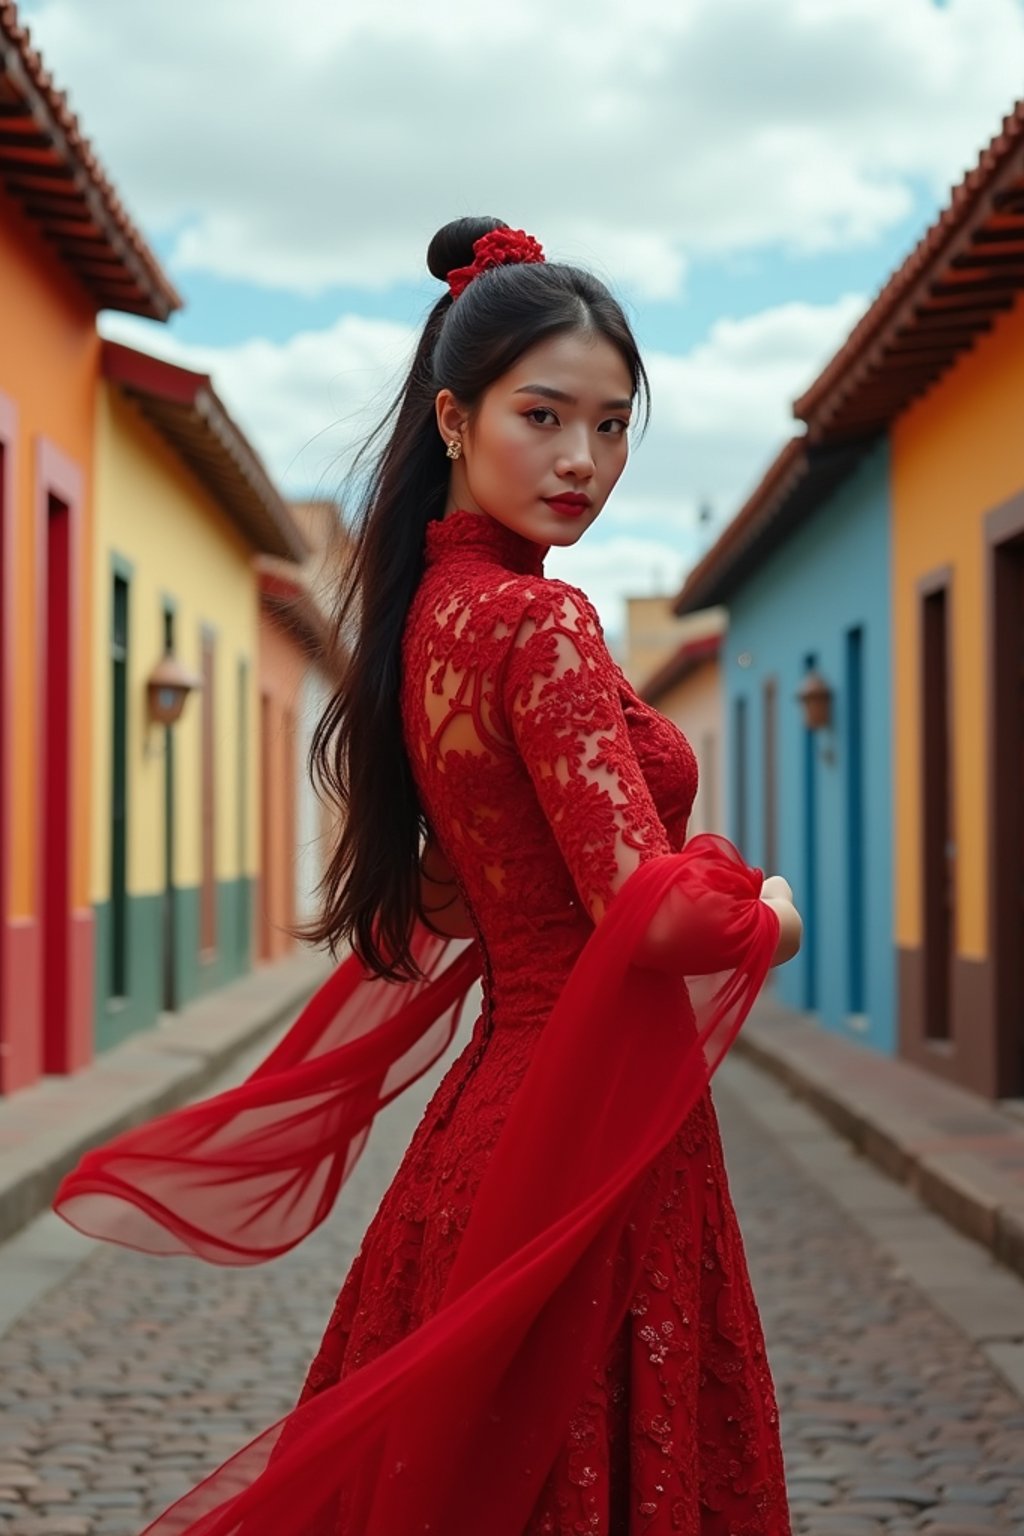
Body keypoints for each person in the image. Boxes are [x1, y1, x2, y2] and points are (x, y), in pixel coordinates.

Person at [53, 218, 802, 1536]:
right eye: (546, 414)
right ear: (454, 418)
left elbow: (474, 891)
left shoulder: (428, 624)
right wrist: (771, 907)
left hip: (489, 1116)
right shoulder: (536, 622)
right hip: (588, 1118)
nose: (585, 459)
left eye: (616, 425)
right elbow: (660, 914)